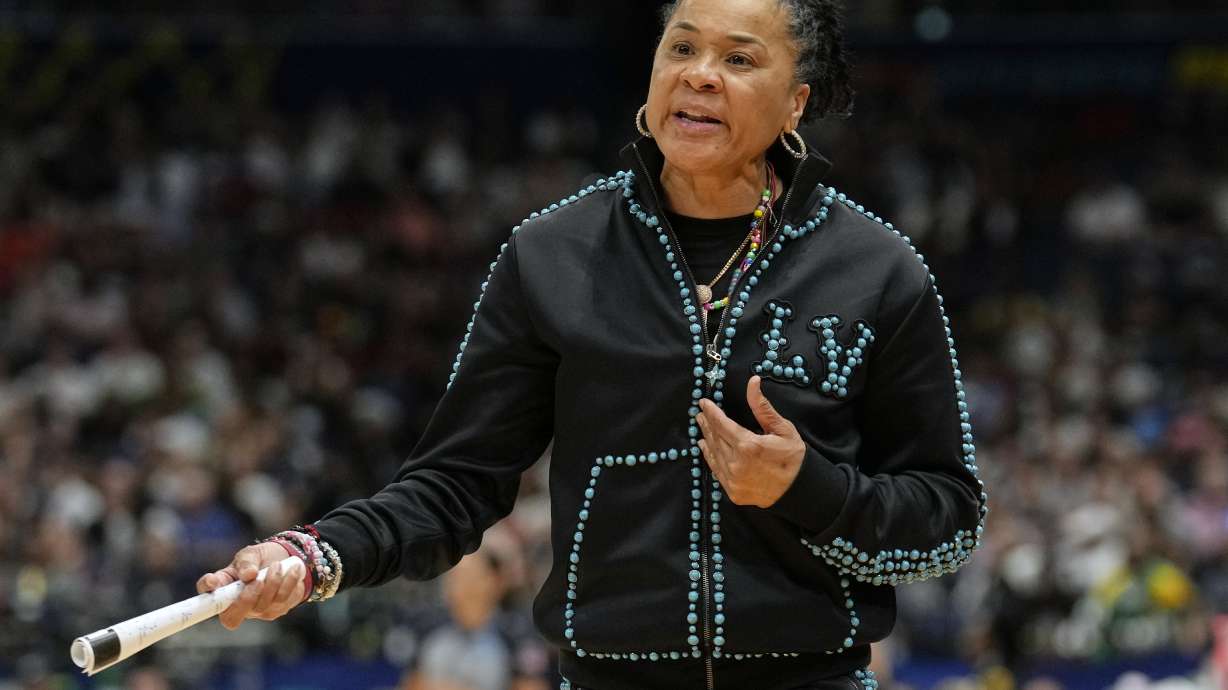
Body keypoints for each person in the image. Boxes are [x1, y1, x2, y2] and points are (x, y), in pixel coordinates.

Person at [197, 0, 988, 688]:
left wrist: (807, 489)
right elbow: (452, 487)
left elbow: (948, 521)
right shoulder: (551, 254)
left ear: (796, 102)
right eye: (681, 47)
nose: (700, 74)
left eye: (740, 58)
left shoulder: (879, 269)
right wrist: (316, 554)